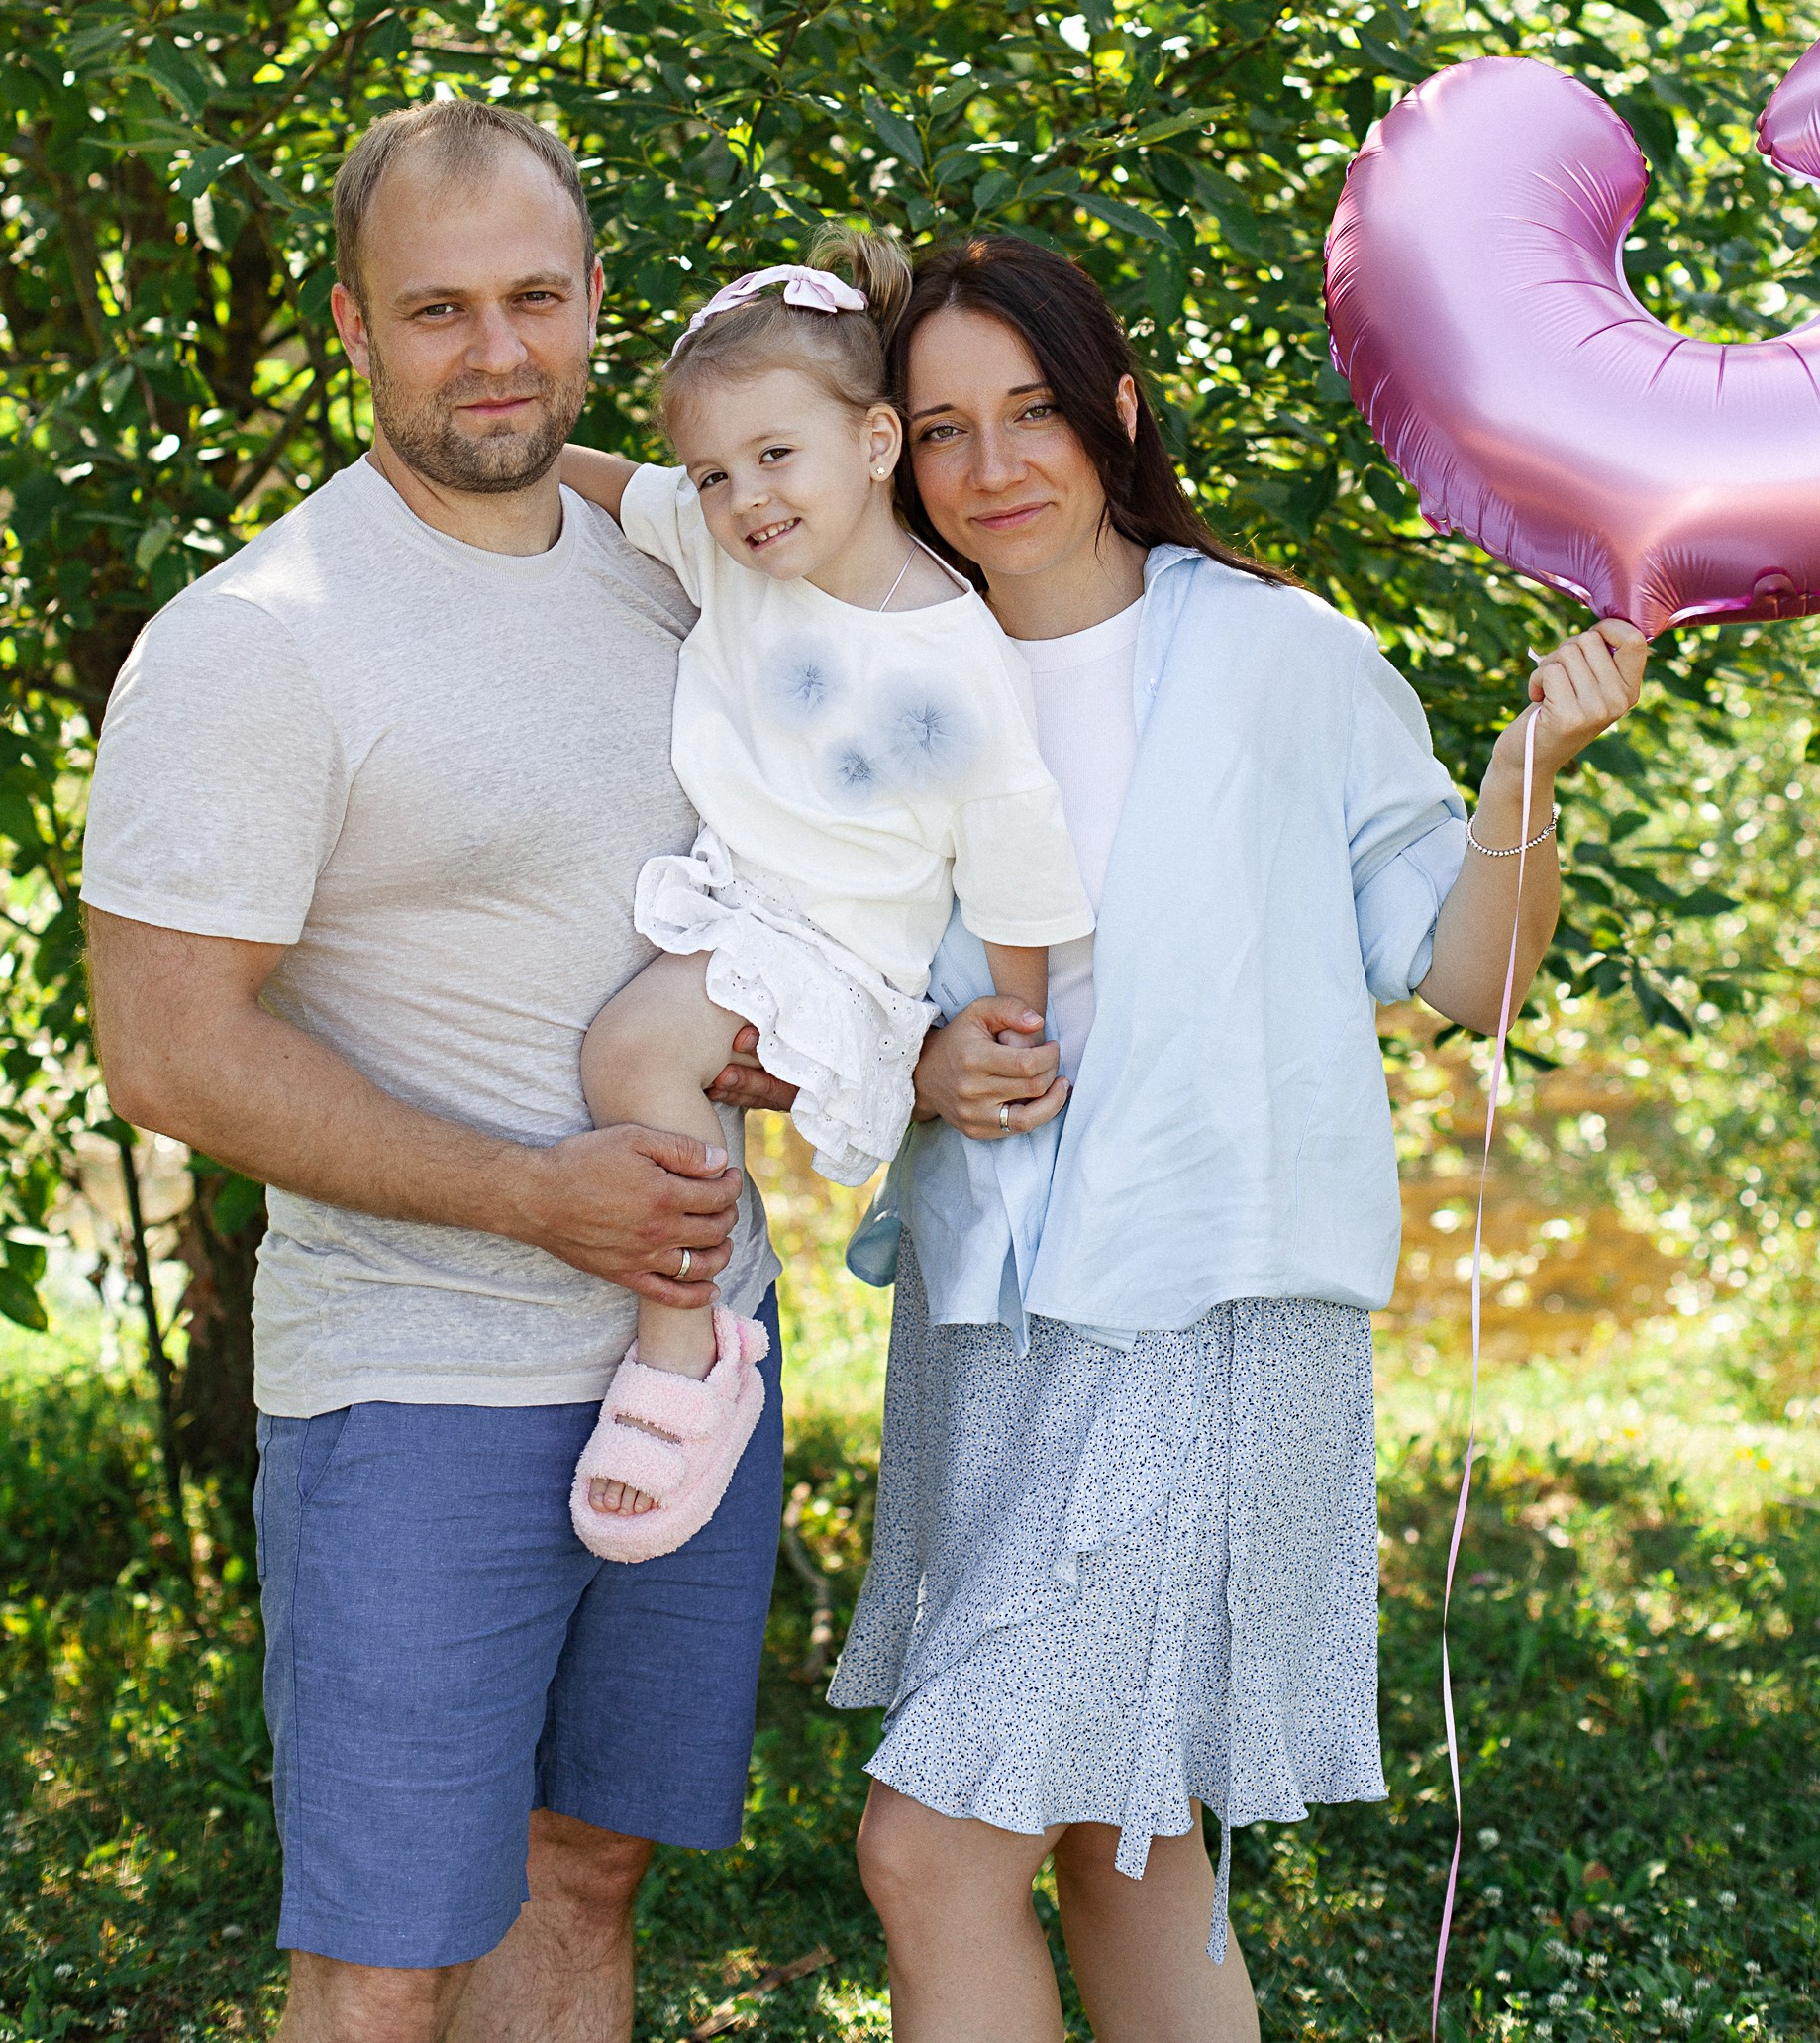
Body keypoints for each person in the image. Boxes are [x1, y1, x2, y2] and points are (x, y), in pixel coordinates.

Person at [828, 234, 1648, 2043]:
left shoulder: (1284, 655)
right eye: (944, 428)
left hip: (1205, 1317)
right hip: (985, 1328)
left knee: (929, 1848)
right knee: (1126, 1838)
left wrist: (1523, 778)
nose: (992, 465)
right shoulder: (891, 675)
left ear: (1114, 411)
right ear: (893, 452)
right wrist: (922, 1063)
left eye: (1033, 410)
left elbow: (1465, 973)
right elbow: (819, 979)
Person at [81, 101, 791, 2043]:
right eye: (436, 307)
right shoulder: (257, 638)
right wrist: (525, 1192)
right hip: (415, 1382)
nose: (496, 351)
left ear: (595, 299)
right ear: (350, 322)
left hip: (693, 1359)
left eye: (535, 298)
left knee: (588, 1865)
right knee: (386, 1945)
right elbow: (168, 1048)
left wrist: (793, 1028)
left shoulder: (671, 563)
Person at [555, 237, 1090, 1559]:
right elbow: (617, 486)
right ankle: (697, 1313)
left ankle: (688, 1349)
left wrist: (1009, 1023)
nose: (744, 498)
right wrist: (505, 456)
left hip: (835, 951)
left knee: (627, 1053)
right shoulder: (736, 553)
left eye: (775, 456)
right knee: (644, 1060)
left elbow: (1015, 855)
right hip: (740, 908)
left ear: (874, 440)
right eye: (714, 473)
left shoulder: (953, 653)